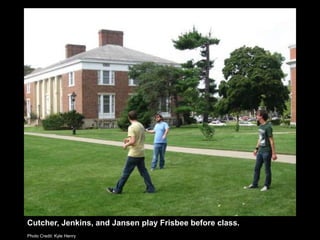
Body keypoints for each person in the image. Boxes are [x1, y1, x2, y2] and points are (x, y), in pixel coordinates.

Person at [107, 110, 155, 194]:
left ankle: (117, 190)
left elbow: (133, 141)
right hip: (141, 152)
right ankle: (151, 188)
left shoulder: (132, 127)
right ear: (136, 116)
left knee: (125, 173)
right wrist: (128, 139)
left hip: (134, 154)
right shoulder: (140, 125)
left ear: (128, 117)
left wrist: (126, 144)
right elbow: (138, 137)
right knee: (144, 172)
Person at [244, 109, 277, 191]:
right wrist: (256, 149)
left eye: (257, 115)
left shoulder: (268, 127)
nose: (256, 116)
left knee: (267, 169)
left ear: (261, 116)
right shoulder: (260, 126)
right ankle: (254, 184)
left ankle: (266, 185)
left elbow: (271, 141)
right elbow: (260, 139)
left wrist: (273, 153)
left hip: (267, 151)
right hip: (260, 151)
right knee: (257, 168)